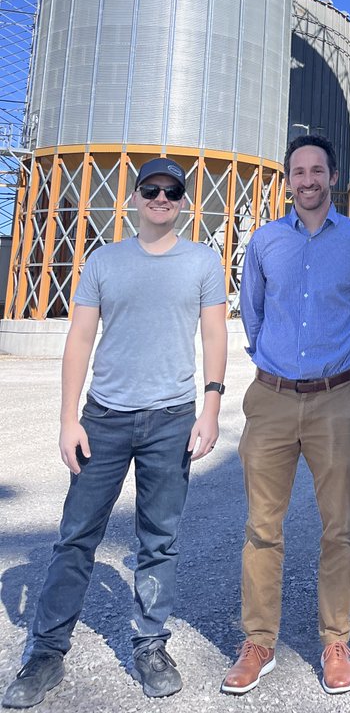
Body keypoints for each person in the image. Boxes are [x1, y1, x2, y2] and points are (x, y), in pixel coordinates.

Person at [2, 159, 227, 710]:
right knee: (76, 537)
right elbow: (80, 338)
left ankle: (150, 645)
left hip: (171, 419)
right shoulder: (104, 260)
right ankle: (46, 652)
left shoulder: (202, 260)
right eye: (151, 189)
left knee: (159, 540)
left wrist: (211, 406)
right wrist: (68, 418)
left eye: (171, 191)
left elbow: (215, 334)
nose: (161, 198)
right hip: (104, 418)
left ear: (183, 201)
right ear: (135, 197)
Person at [222, 133, 350, 697]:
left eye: (318, 170)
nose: (308, 180)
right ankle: (258, 642)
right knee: (261, 527)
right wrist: (278, 360)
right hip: (270, 398)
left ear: (333, 177)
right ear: (288, 180)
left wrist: (341, 360)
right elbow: (252, 312)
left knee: (338, 526)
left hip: (336, 399)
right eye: (299, 171)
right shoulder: (266, 241)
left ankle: (335, 640)